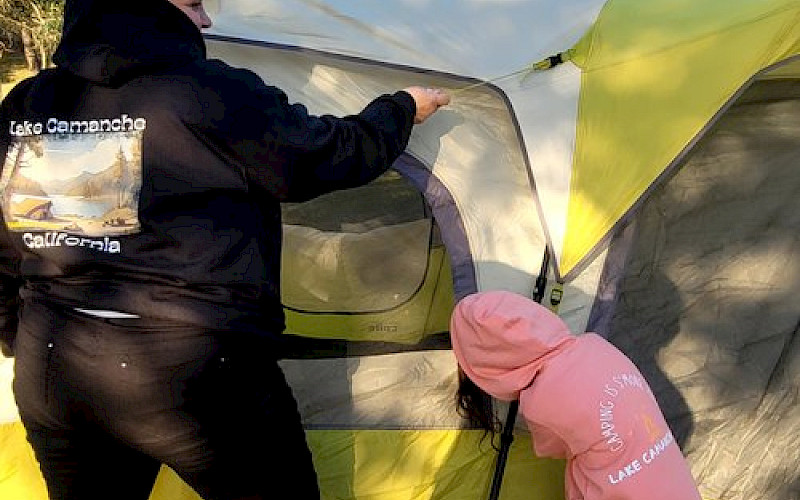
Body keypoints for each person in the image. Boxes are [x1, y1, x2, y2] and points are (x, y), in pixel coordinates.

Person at [0, 0, 449, 499]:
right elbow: (323, 155)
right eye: (194, 4)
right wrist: (401, 109)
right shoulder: (209, 92)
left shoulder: (28, 102)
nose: (207, 20)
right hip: (193, 368)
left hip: (53, 362)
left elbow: (3, 239)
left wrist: (15, 334)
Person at [450, 290, 702, 500]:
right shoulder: (595, 344)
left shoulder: (541, 399)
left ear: (490, 366)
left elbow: (553, 447)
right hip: (673, 483)